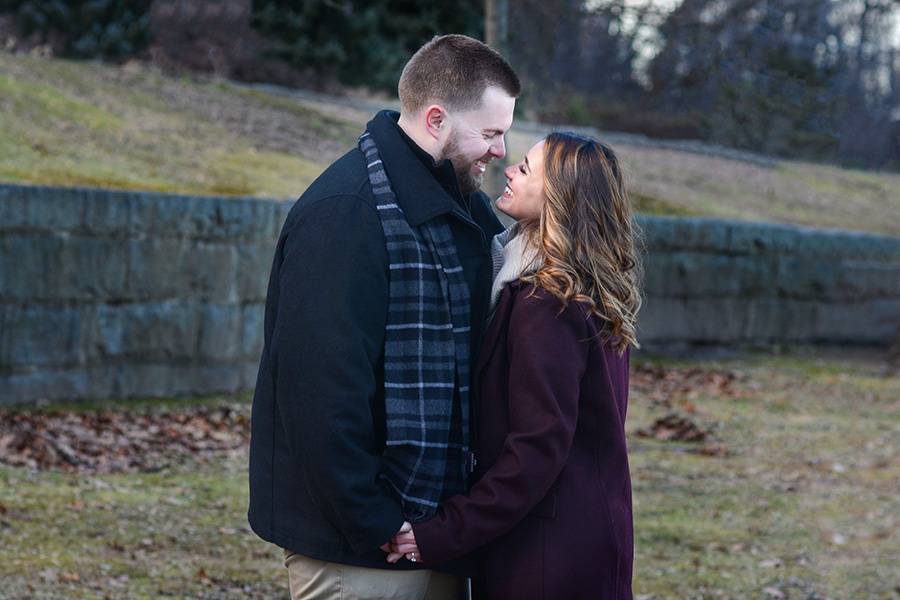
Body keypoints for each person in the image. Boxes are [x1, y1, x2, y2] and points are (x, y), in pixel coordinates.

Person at [247, 34, 520, 600]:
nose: (500, 151)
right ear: (436, 118)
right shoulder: (346, 213)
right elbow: (319, 389)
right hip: (360, 550)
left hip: (437, 533)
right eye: (491, 133)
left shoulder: (462, 208)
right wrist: (378, 521)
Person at [387, 132, 643, 600]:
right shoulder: (583, 290)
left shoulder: (547, 303)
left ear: (559, 199)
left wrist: (442, 533)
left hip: (547, 559)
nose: (508, 168)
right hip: (581, 539)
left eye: (525, 169)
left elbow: (534, 452)